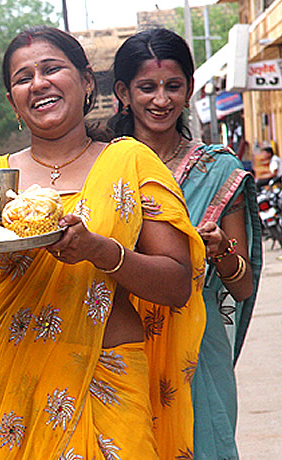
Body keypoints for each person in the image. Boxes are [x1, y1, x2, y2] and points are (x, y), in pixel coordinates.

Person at [0, 26, 206, 458]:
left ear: (87, 82)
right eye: (23, 77)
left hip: (106, 380)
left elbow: (178, 284)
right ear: (12, 102)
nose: (39, 83)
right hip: (7, 383)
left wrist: (103, 252)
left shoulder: (130, 162)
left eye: (51, 69)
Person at [107, 27, 262, 460]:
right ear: (123, 92)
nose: (161, 100)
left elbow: (243, 286)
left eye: (173, 86)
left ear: (189, 89)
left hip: (197, 349)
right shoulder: (102, 164)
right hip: (121, 338)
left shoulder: (218, 169)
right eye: (147, 87)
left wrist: (222, 253)